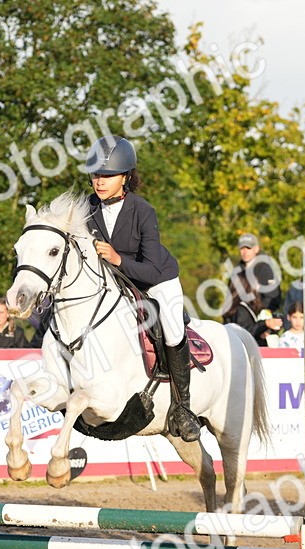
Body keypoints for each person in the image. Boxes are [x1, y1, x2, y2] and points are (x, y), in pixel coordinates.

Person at [83, 135, 201, 442]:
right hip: (115, 283)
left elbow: (149, 269)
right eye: (96, 174)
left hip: (156, 279)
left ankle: (183, 409)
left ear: (125, 177)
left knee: (172, 328)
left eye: (107, 175)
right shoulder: (87, 208)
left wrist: (117, 258)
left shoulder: (142, 210)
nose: (100, 181)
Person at [224, 233, 281, 330]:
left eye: (248, 248)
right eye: (242, 248)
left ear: (256, 249)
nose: (245, 251)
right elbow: (230, 297)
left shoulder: (265, 269)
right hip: (237, 320)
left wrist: (263, 322)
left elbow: (273, 299)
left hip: (260, 322)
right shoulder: (237, 270)